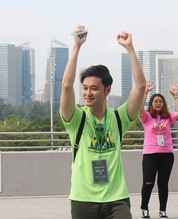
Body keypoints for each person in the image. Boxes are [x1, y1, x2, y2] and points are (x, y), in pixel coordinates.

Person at [60, 25, 146, 219]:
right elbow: (66, 86)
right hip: (83, 199)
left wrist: (130, 49)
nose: (87, 93)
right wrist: (76, 46)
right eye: (84, 88)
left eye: (94, 88)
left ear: (107, 90)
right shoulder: (77, 119)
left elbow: (140, 87)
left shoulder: (118, 118)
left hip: (116, 199)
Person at [138, 80, 178, 219]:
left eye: (161, 101)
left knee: (163, 184)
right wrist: (145, 92)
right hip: (150, 155)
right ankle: (144, 208)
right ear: (151, 103)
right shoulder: (146, 117)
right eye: (155, 101)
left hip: (167, 154)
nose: (158, 103)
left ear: (164, 104)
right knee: (148, 182)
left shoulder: (168, 117)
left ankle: (162, 210)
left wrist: (175, 96)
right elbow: (139, 108)